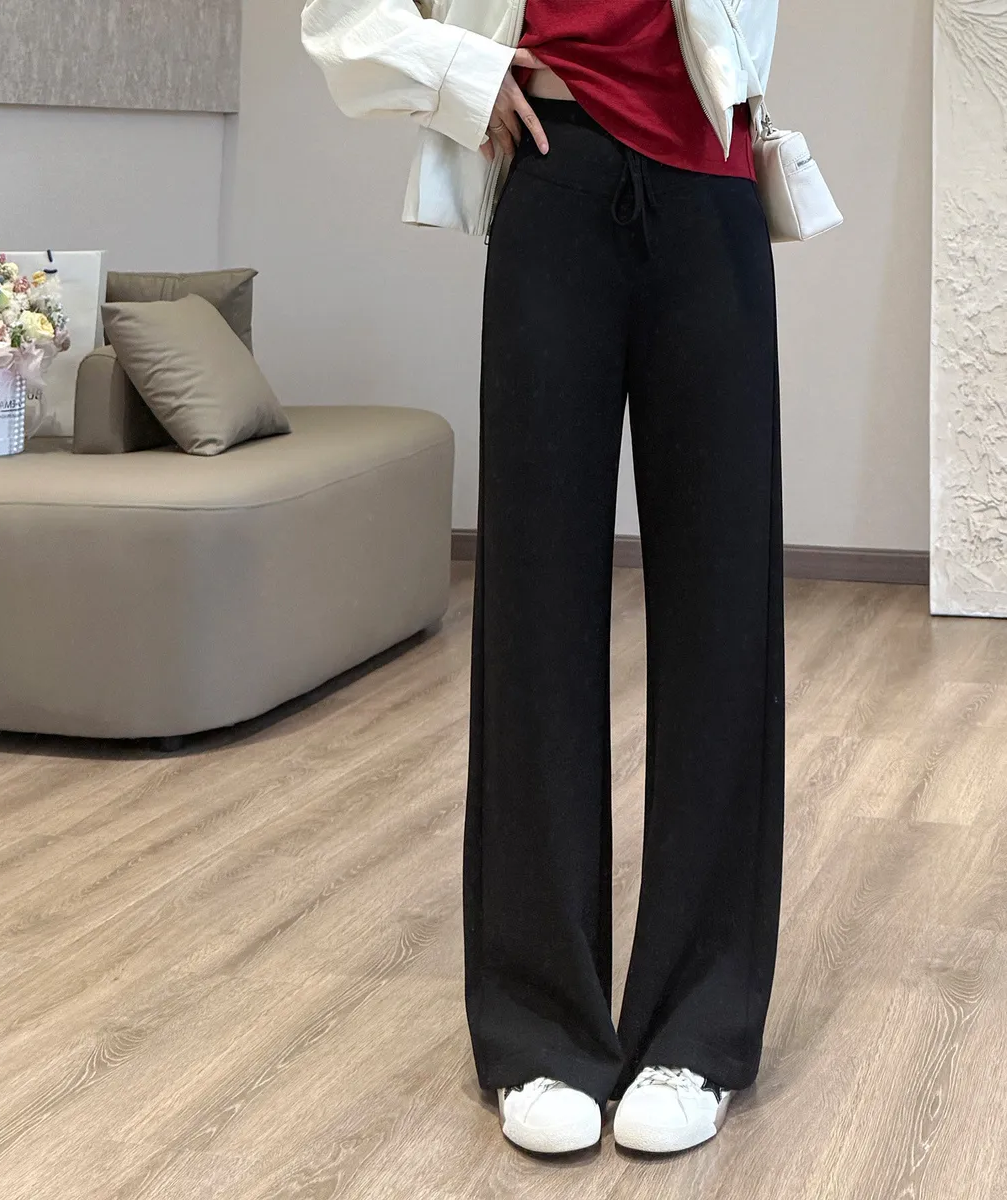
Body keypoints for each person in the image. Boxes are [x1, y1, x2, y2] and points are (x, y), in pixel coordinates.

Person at [302, 0, 785, 1157]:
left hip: (713, 185)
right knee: (533, 610)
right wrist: (455, 70)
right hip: (553, 175)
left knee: (725, 614)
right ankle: (539, 1029)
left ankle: (700, 1026)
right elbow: (339, 19)